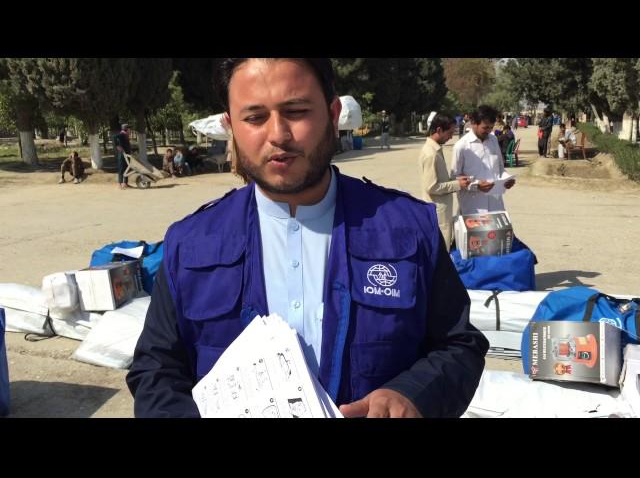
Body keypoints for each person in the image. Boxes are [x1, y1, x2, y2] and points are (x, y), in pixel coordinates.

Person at [126, 58, 488, 418]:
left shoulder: (409, 228)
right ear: (230, 125)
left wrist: (413, 395)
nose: (278, 135)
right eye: (254, 118)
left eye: (296, 111)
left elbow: (458, 344)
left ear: (332, 114)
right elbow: (156, 369)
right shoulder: (189, 243)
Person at [418, 113, 470, 251]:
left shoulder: (435, 150)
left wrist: (456, 180)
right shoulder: (431, 154)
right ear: (439, 130)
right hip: (438, 213)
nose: (451, 137)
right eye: (450, 132)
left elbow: (439, 180)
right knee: (441, 250)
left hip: (441, 210)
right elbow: (432, 187)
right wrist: (457, 185)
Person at [451, 104, 516, 215]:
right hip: (473, 208)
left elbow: (500, 168)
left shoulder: (493, 140)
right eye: (485, 128)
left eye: (491, 127)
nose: (488, 131)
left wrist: (506, 179)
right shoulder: (461, 146)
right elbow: (454, 177)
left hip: (496, 205)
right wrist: (476, 185)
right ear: (473, 124)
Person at [114, 124, 132, 189]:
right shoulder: (122, 134)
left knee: (126, 168)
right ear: (126, 129)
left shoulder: (125, 135)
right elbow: (115, 137)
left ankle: (125, 183)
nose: (130, 130)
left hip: (127, 155)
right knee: (121, 169)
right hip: (122, 155)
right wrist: (118, 147)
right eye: (129, 129)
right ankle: (119, 184)